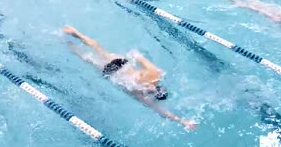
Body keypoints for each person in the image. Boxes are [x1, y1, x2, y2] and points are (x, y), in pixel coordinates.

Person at [62, 26, 197, 131]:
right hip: (113, 72)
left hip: (122, 62)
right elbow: (161, 111)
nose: (149, 89)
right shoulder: (141, 93)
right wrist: (183, 121)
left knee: (99, 50)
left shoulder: (154, 74)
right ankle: (68, 43)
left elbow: (136, 55)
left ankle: (74, 35)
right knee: (89, 59)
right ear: (156, 91)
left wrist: (182, 121)